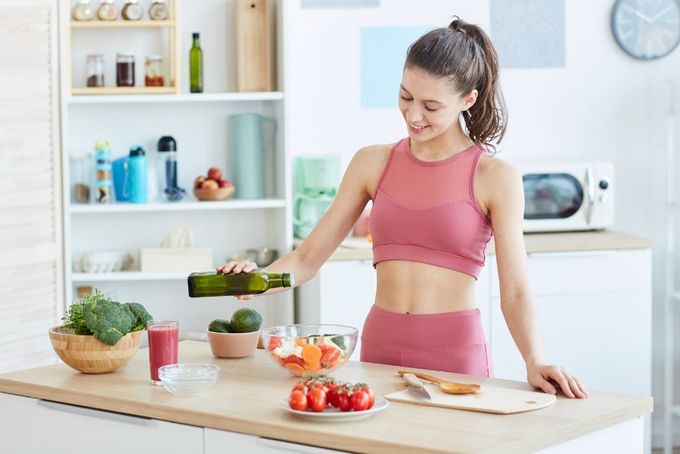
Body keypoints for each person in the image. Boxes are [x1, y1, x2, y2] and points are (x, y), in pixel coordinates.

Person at [218, 17, 587, 399]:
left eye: (430, 106)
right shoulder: (372, 162)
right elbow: (307, 259)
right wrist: (254, 282)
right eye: (405, 96)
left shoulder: (495, 176)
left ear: (467, 100)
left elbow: (515, 291)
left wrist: (535, 358)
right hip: (380, 350)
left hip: (455, 354)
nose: (413, 115)